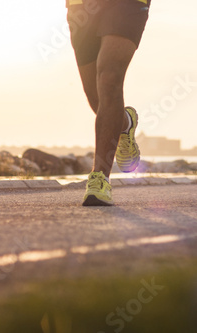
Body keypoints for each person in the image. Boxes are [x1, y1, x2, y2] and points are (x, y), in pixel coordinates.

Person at [66, 0, 151, 206]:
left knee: (109, 78)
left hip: (127, 4)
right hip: (82, 5)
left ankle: (99, 179)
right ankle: (124, 124)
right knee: (94, 95)